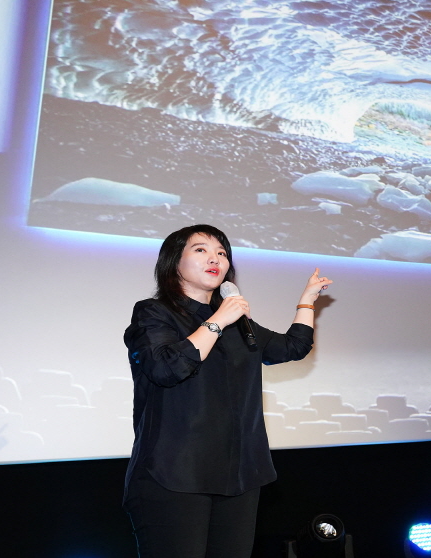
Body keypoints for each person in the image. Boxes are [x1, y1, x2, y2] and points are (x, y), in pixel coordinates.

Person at [122, 224, 333, 558]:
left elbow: (291, 347)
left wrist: (306, 302)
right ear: (174, 261)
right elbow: (166, 368)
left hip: (238, 475)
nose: (215, 258)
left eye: (222, 253)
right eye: (201, 249)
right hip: (175, 474)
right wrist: (218, 321)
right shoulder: (154, 313)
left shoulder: (236, 322)